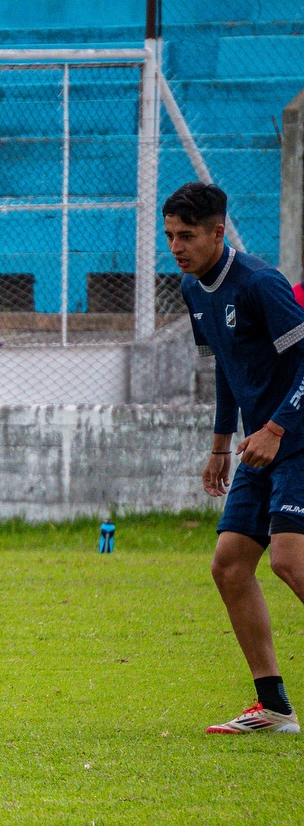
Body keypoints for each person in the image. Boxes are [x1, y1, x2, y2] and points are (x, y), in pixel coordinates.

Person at [167, 181, 304, 734]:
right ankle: (274, 707)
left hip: (295, 437)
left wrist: (276, 427)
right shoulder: (192, 289)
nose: (176, 247)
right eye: (170, 235)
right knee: (229, 565)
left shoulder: (260, 283)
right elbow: (226, 364)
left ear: (218, 232)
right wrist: (221, 444)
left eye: (187, 236)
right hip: (257, 446)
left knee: (290, 561)